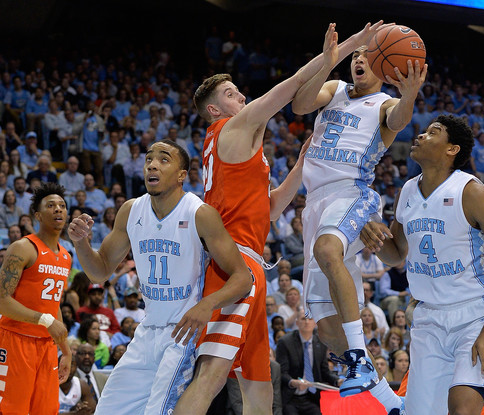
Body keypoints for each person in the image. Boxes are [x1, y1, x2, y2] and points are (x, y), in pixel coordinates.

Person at [177, 22, 393, 415]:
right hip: (234, 263)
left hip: (251, 261)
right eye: (230, 93)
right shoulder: (233, 126)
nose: (241, 95)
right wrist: (343, 51)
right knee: (211, 374)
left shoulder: (240, 149)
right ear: (214, 109)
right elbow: (293, 85)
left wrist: (299, 165)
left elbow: (272, 209)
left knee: (259, 382)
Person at [289, 24, 427, 414]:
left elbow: (398, 120)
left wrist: (410, 94)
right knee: (329, 329)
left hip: (353, 194)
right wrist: (327, 59)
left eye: (368, 55)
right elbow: (300, 104)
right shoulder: (333, 91)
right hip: (314, 204)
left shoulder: (383, 104)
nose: (360, 60)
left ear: (383, 64)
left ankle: (361, 361)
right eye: (355, 56)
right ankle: (392, 403)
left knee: (327, 249)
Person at [67, 139, 253, 414]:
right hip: (146, 330)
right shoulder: (131, 210)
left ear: (181, 175)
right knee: (107, 409)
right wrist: (81, 243)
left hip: (182, 335)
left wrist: (206, 305)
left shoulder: (199, 213)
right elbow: (100, 270)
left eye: (164, 159)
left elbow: (243, 278)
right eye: (148, 159)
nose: (152, 164)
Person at [361, 115, 484, 415]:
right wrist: (369, 230)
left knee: (462, 409)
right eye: (423, 131)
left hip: (475, 317)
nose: (421, 135)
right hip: (428, 320)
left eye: (432, 132)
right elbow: (396, 253)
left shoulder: (472, 192)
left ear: (452, 149)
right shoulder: (408, 191)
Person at [0, 182, 72, 414]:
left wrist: (66, 350)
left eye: (62, 205)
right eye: (51, 205)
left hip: (47, 346)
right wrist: (46, 320)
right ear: (38, 215)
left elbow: (54, 306)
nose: (58, 209)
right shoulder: (23, 247)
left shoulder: (65, 257)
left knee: (47, 410)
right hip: (15, 340)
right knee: (13, 410)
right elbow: (2, 300)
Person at [276, 314, 338, 415]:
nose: (307, 322)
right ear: (297, 323)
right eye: (303, 319)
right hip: (290, 397)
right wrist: (293, 382)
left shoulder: (320, 343)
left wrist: (338, 380)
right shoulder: (285, 342)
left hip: (310, 397)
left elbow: (324, 371)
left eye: (310, 319)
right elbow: (282, 372)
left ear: (315, 323)